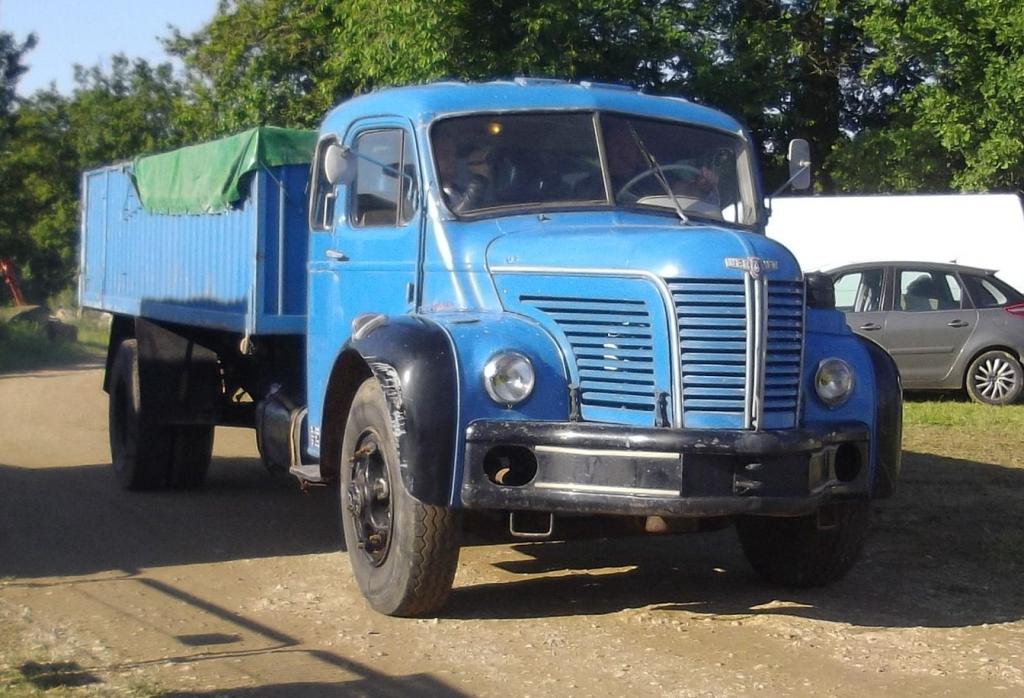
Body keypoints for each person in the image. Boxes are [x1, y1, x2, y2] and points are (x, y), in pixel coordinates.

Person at [434, 136, 493, 214]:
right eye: (445, 155)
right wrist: (479, 179)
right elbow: (455, 217)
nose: (451, 160)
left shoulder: (459, 191)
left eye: (453, 155)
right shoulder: (430, 195)